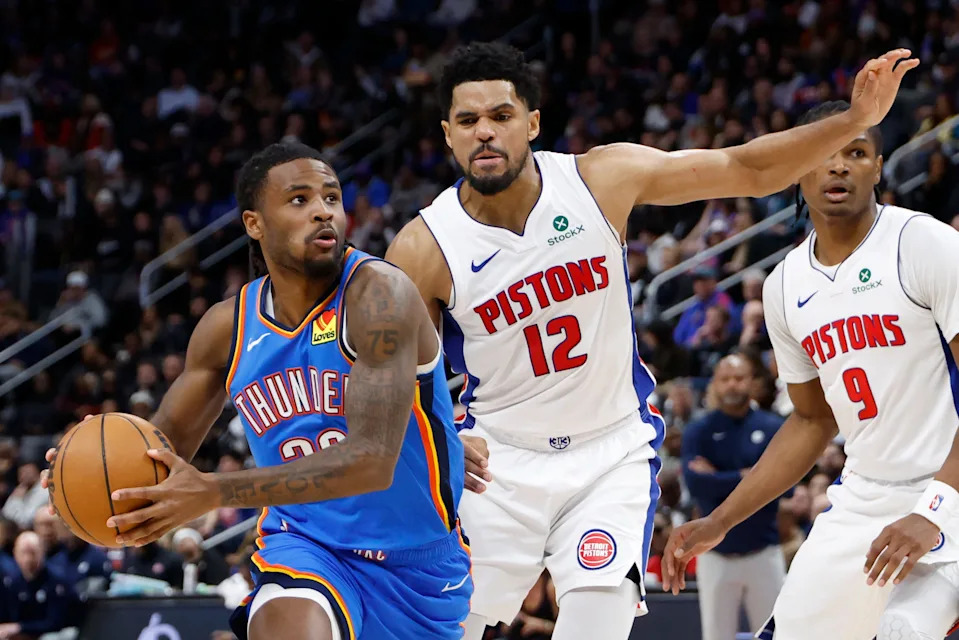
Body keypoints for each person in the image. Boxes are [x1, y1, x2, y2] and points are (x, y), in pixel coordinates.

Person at [384, 40, 917, 640]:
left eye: (500, 116)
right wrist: (438, 438)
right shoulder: (422, 247)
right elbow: (391, 386)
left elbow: (746, 169)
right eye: (467, 121)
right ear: (447, 134)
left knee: (596, 625)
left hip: (609, 455)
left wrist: (853, 120)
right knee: (444, 628)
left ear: (531, 123)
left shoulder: (600, 178)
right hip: (498, 462)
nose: (485, 132)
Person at [45, 142, 470, 640]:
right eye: (299, 199)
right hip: (305, 546)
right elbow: (158, 453)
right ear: (254, 223)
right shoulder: (227, 328)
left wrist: (214, 491)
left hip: (418, 566)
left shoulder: (379, 295)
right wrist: (88, 476)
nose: (323, 211)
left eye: (332, 197)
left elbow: (371, 462)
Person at [662, 100, 959, 640]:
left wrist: (936, 509)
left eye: (857, 152)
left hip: (950, 486)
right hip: (864, 495)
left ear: (878, 167)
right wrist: (720, 519)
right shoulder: (784, 284)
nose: (839, 165)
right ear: (798, 165)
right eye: (824, 151)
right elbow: (810, 420)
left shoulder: (924, 243)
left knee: (902, 630)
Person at [681, 354, 785, 640]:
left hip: (763, 551)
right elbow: (696, 484)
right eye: (725, 379)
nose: (732, 385)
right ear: (715, 383)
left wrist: (718, 476)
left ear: (752, 382)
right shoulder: (698, 431)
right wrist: (748, 476)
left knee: (776, 634)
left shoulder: (772, 426)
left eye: (739, 378)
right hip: (715, 555)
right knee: (715, 635)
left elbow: (779, 485)